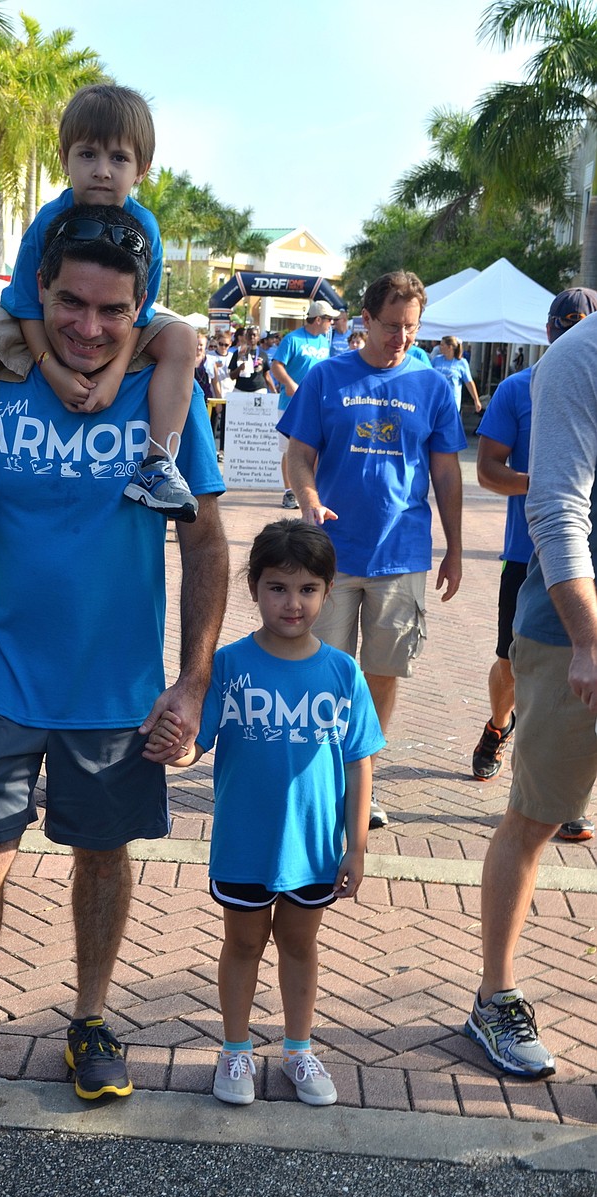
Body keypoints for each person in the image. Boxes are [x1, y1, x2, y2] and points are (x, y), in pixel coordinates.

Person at [0, 204, 228, 1145]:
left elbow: (205, 543)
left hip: (115, 690)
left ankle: (90, 1017)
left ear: (140, 309)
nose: (89, 325)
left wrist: (193, 681)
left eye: (113, 310)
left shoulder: (162, 391)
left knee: (103, 857)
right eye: (72, 301)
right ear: (41, 288)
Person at [147, 520, 384, 1106]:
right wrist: (177, 750)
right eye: (277, 587)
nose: (292, 602)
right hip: (245, 843)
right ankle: (235, 1051)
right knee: (244, 944)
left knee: (300, 945)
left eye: (307, 589)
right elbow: (199, 743)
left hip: (314, 848)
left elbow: (359, 764)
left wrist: (355, 846)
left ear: (328, 591)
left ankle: (298, 1050)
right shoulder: (228, 664)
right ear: (253, 588)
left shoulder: (344, 672)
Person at [0, 82, 197, 547]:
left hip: (112, 324)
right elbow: (26, 304)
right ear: (64, 157)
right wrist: (52, 370)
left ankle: (158, 464)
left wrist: (114, 375)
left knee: (182, 339)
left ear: (142, 169)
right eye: (87, 154)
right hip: (33, 319)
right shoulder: (46, 221)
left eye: (119, 158)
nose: (102, 171)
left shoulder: (147, 229)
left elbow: (138, 316)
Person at [464, 300, 597, 1080]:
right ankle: (495, 994)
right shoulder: (579, 356)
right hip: (570, 626)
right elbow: (555, 506)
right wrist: (588, 639)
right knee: (536, 818)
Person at [285, 270, 465, 829]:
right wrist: (309, 500)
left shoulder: (432, 385)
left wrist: (455, 548)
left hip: (401, 554)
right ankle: (320, 779)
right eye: (391, 326)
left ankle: (363, 779)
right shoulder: (326, 376)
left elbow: (447, 473)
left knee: (383, 674)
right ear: (364, 320)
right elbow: (298, 455)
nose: (401, 338)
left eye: (411, 328)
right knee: (324, 671)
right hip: (330, 555)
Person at [471, 288, 597, 848]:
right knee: (511, 662)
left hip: (579, 566)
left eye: (583, 321)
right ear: (549, 330)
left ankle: (569, 799)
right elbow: (487, 470)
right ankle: (499, 727)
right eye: (565, 322)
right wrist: (550, 482)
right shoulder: (519, 387)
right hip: (530, 559)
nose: (573, 329)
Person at [271, 300, 340, 511]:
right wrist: (289, 383)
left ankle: (313, 491)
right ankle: (289, 492)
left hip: (319, 405)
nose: (331, 323)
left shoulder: (324, 342)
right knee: (289, 450)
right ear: (318, 319)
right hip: (291, 404)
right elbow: (276, 365)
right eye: (329, 319)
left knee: (316, 449)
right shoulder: (292, 339)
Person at [432, 336, 482, 417]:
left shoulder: (461, 362)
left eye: (442, 345)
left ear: (450, 347)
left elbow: (469, 382)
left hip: (452, 402)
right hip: (436, 400)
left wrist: (476, 400)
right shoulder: (436, 360)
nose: (439, 347)